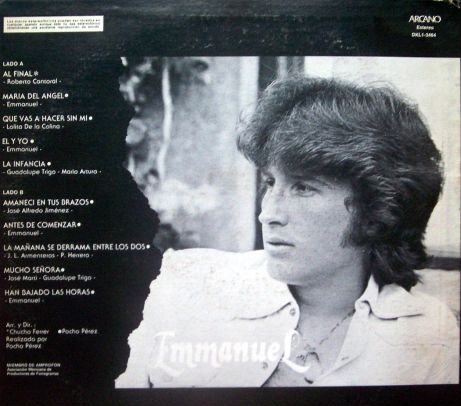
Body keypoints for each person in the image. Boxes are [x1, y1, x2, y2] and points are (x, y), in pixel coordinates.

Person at [115, 76, 459, 388]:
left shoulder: (426, 333)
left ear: (377, 211)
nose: (268, 214)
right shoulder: (185, 283)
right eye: (270, 182)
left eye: (303, 188)